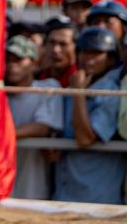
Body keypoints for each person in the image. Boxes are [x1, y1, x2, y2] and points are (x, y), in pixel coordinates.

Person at [53, 27, 124, 204]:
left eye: (96, 53)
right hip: (64, 192)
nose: (87, 58)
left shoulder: (114, 94)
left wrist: (78, 92)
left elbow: (85, 138)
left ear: (111, 59)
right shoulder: (71, 89)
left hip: (97, 197)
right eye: (84, 51)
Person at [4, 36, 63, 200]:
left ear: (35, 64)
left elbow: (42, 126)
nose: (11, 65)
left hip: (33, 189)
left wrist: (0, 135)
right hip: (1, 188)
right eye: (7, 60)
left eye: (19, 59)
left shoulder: (48, 87)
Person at [39, 16, 77, 87]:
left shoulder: (84, 82)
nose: (56, 50)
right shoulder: (37, 78)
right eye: (51, 43)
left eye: (63, 44)